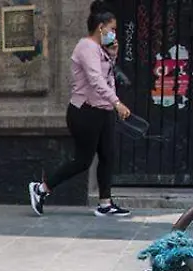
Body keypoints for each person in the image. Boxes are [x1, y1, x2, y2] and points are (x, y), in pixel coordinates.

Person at [29, 1, 133, 217]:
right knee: (83, 161)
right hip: (85, 112)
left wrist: (113, 54)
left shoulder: (100, 49)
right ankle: (41, 189)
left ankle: (105, 203)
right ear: (101, 27)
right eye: (112, 28)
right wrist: (117, 103)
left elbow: (106, 77)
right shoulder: (86, 47)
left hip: (102, 111)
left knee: (108, 156)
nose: (114, 33)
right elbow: (95, 80)